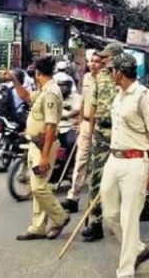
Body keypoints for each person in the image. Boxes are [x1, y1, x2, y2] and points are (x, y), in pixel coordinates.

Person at [100, 53, 149, 278]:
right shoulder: (118, 95)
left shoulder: (145, 97)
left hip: (136, 161)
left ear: (119, 72)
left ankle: (126, 270)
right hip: (114, 159)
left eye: (111, 71)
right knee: (109, 214)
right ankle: (136, 246)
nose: (110, 74)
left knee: (129, 217)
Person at [11, 56, 70, 240]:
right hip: (35, 144)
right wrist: (14, 80)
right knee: (36, 186)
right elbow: (26, 96)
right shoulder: (44, 90)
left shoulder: (51, 93)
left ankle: (60, 216)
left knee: (38, 187)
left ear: (37, 73)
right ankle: (38, 226)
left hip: (45, 145)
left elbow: (51, 125)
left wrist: (45, 157)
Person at [83, 42, 123, 242]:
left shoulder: (124, 78)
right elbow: (93, 106)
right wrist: (90, 134)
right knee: (96, 178)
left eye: (107, 57)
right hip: (101, 132)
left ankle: (120, 221)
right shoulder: (99, 78)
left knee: (121, 180)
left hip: (120, 135)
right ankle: (95, 221)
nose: (104, 60)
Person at [62, 53, 103, 213]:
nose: (93, 64)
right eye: (91, 61)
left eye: (97, 61)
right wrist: (79, 123)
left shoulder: (106, 81)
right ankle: (73, 197)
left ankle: (96, 203)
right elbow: (83, 101)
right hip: (85, 123)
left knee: (98, 165)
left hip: (99, 126)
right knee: (80, 161)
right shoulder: (86, 78)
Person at [55, 73, 82, 183]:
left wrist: (64, 115)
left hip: (69, 127)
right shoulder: (54, 96)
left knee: (70, 143)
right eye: (59, 85)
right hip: (55, 127)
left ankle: (69, 169)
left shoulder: (76, 97)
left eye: (64, 85)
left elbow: (76, 111)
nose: (62, 88)